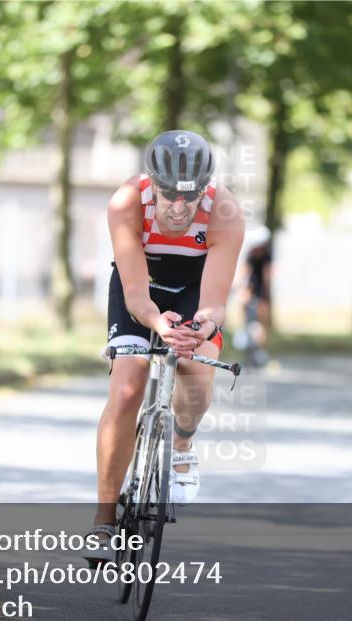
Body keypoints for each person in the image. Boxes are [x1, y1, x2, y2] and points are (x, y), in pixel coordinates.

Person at [85, 130, 244, 559]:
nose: (178, 206)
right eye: (168, 194)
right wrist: (157, 322)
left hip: (194, 293)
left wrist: (201, 330)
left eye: (189, 197)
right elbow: (136, 294)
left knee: (197, 377)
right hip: (142, 291)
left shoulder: (225, 212)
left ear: (205, 189)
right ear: (151, 182)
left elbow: (213, 304)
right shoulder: (126, 202)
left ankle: (182, 444)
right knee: (126, 389)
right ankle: (103, 521)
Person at [236, 226, 273, 367]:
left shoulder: (267, 255)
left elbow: (266, 277)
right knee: (247, 318)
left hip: (260, 291)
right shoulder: (251, 255)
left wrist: (265, 297)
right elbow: (245, 273)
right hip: (250, 289)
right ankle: (245, 341)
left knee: (261, 321)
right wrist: (242, 290)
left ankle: (260, 350)